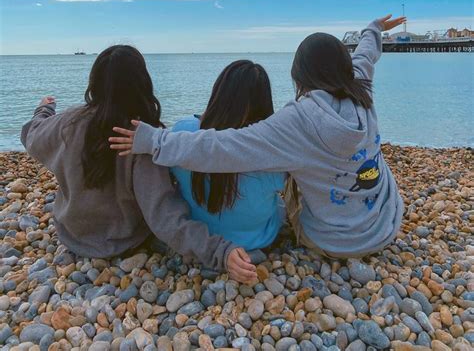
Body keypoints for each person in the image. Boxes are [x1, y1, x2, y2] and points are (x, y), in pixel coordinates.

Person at [110, 15, 406, 259]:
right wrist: (374, 29)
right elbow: (366, 55)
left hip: (337, 243)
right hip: (386, 223)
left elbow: (225, 146)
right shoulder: (361, 90)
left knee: (290, 168)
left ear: (299, 77)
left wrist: (154, 141)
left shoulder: (297, 122)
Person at [21, 45, 256, 281]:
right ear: (142, 83)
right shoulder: (139, 140)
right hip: (122, 241)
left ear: (95, 82)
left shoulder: (68, 122)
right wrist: (219, 252)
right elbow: (164, 218)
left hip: (72, 234)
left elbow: (32, 136)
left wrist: (44, 109)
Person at [171, 60, 286, 250]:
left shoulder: (182, 132)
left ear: (218, 93)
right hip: (257, 238)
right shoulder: (273, 152)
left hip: (201, 236)